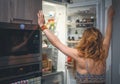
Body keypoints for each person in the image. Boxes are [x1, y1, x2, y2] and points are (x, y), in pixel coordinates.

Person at [37, 5, 114, 84]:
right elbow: (108, 36)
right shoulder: (103, 54)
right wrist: (110, 18)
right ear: (99, 40)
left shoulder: (79, 55)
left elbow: (57, 43)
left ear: (85, 40)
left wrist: (42, 26)